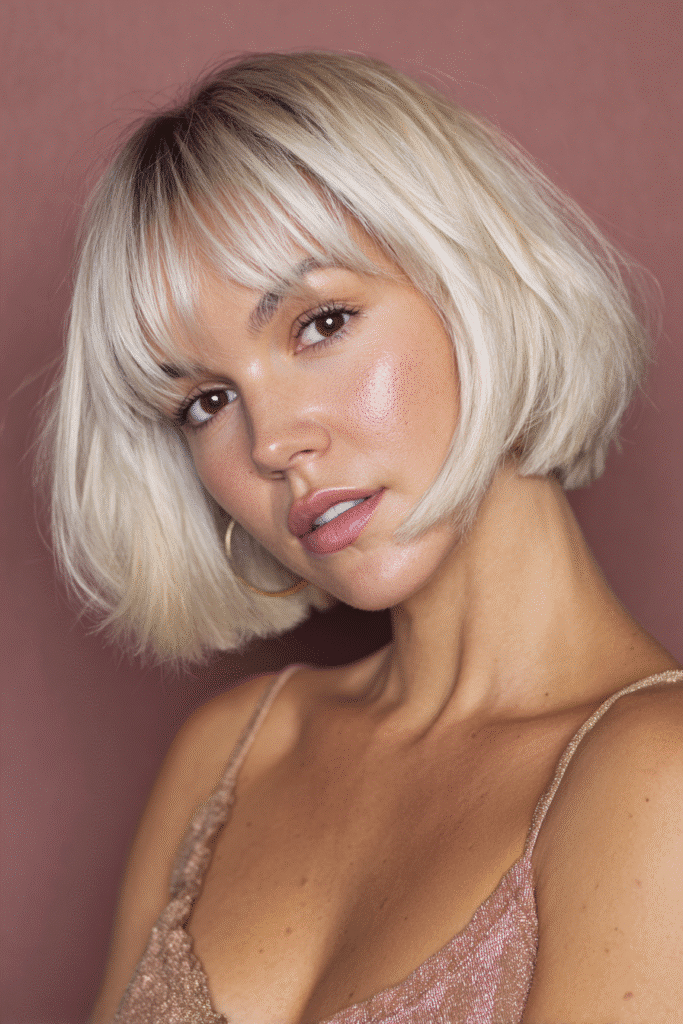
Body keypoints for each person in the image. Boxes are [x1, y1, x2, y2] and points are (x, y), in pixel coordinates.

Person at [43, 51, 682, 1023]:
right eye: (207, 400)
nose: (270, 444)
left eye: (320, 322)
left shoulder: (653, 781)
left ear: (477, 280)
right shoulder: (231, 753)